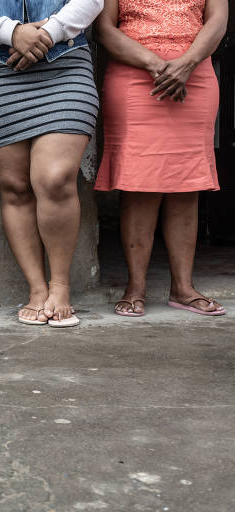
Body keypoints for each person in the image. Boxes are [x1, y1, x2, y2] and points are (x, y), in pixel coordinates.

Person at [0, 0, 104, 327]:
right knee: (16, 187)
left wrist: (46, 33)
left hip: (64, 63)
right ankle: (37, 289)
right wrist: (13, 33)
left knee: (55, 179)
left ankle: (60, 287)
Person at [94, 0, 227, 317]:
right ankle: (135, 287)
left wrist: (187, 63)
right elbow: (103, 28)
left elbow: (218, 21)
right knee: (139, 183)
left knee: (187, 182)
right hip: (134, 74)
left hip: (195, 75)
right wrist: (157, 65)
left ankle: (183, 288)